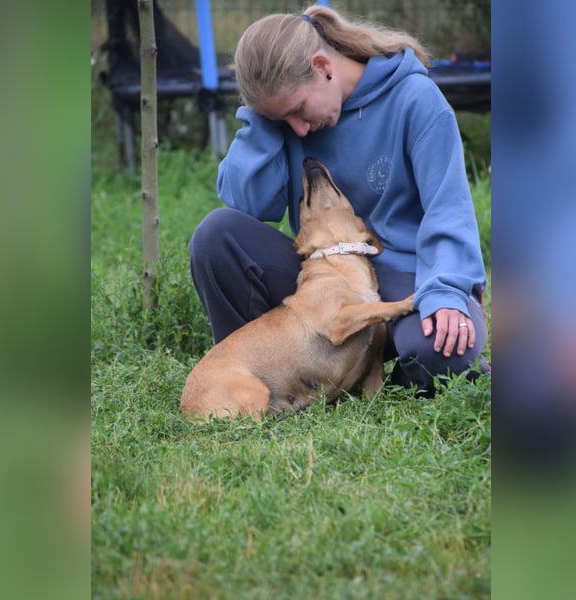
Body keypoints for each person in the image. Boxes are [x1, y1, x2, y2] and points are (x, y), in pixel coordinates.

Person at [189, 5, 489, 395]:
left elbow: (448, 210)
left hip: (411, 275)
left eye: (297, 110)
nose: (298, 128)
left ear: (322, 66)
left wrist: (447, 291)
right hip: (324, 284)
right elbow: (248, 203)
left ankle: (376, 370)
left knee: (442, 349)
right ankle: (266, 376)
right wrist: (263, 118)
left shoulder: (415, 99)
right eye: (283, 120)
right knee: (217, 235)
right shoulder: (288, 119)